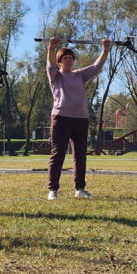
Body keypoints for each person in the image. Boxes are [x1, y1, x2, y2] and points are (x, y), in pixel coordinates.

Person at [46, 37, 112, 200]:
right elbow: (50, 64)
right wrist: (51, 48)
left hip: (81, 119)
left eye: (70, 58)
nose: (68, 60)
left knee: (80, 155)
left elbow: (97, 66)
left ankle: (79, 189)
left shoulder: (79, 75)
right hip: (61, 118)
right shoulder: (55, 76)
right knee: (58, 154)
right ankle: (53, 189)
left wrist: (105, 51)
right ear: (59, 62)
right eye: (64, 58)